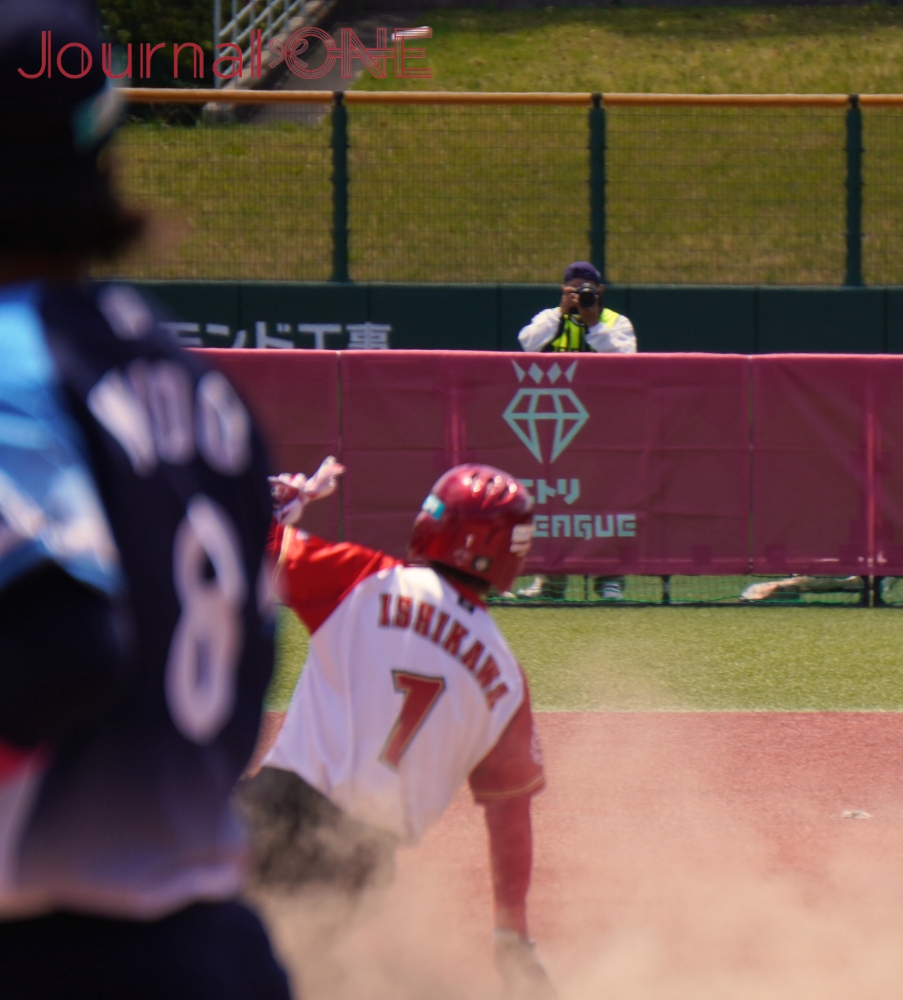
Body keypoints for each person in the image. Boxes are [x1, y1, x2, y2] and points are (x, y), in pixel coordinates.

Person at [0, 3, 289, 996]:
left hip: (47, 954)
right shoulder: (201, 387)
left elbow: (58, 646)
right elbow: (251, 658)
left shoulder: (10, 363)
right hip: (212, 949)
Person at [236, 460, 556, 999]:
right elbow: (511, 816)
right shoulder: (505, 677)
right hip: (363, 859)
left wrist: (279, 504)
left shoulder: (367, 579)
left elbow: (254, 553)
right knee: (290, 969)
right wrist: (511, 934)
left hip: (277, 808)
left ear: (435, 525)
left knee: (178, 934)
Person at [517, 261, 634, 601]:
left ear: (600, 292)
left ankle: (609, 579)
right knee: (553, 503)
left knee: (606, 504)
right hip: (557, 430)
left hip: (603, 429)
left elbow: (627, 356)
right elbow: (526, 345)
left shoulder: (615, 322)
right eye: (575, 288)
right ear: (563, 290)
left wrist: (593, 321)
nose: (582, 294)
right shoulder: (548, 318)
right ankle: (551, 581)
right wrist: (561, 314)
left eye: (588, 289)